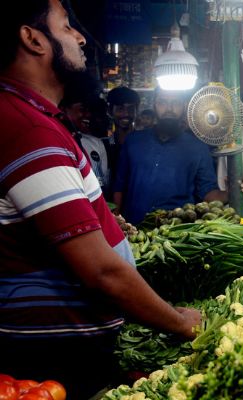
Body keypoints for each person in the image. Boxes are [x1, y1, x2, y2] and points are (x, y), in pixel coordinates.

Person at [0, 1, 200, 397]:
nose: (79, 37)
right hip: (51, 365)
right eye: (66, 26)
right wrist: (180, 322)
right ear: (32, 39)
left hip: (62, 354)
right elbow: (100, 271)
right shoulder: (26, 129)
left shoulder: (34, 119)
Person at [113, 87, 230, 225]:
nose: (169, 108)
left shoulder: (198, 147)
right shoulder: (133, 141)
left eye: (176, 103)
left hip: (175, 232)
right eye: (162, 102)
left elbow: (208, 193)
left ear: (185, 106)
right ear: (154, 105)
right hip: (133, 227)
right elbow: (119, 187)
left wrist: (231, 192)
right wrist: (115, 222)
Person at [59, 72, 111, 194]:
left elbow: (103, 183)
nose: (87, 115)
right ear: (63, 109)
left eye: (89, 110)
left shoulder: (96, 143)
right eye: (82, 109)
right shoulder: (55, 143)